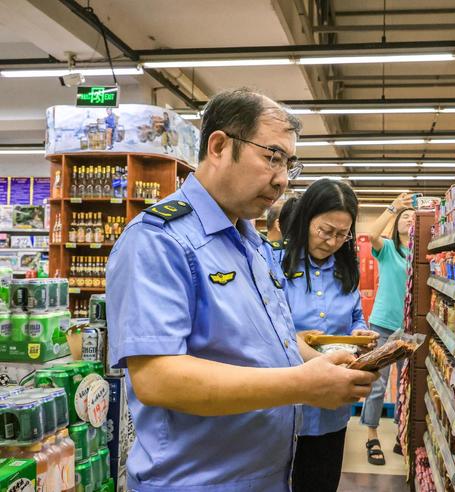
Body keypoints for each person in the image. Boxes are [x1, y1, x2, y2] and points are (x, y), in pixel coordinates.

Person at [106, 88, 378, 492]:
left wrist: (328, 363)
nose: (283, 178)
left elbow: (277, 340)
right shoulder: (159, 240)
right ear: (219, 146)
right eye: (272, 157)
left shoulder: (252, 244)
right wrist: (303, 384)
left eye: (289, 163)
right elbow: (157, 378)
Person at [281, 178, 379, 492]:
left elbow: (354, 318)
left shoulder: (346, 270)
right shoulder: (274, 265)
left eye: (342, 234)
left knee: (320, 483)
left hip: (330, 411)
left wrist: (359, 334)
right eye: (325, 230)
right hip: (283, 405)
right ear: (305, 219)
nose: (333, 241)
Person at [360, 192, 416, 465]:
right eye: (405, 218)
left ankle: (400, 435)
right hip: (382, 324)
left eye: (412, 217)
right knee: (378, 384)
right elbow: (370, 235)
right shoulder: (388, 250)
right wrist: (394, 208)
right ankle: (371, 435)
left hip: (409, 329)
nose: (408, 220)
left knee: (406, 384)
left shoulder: (420, 253)